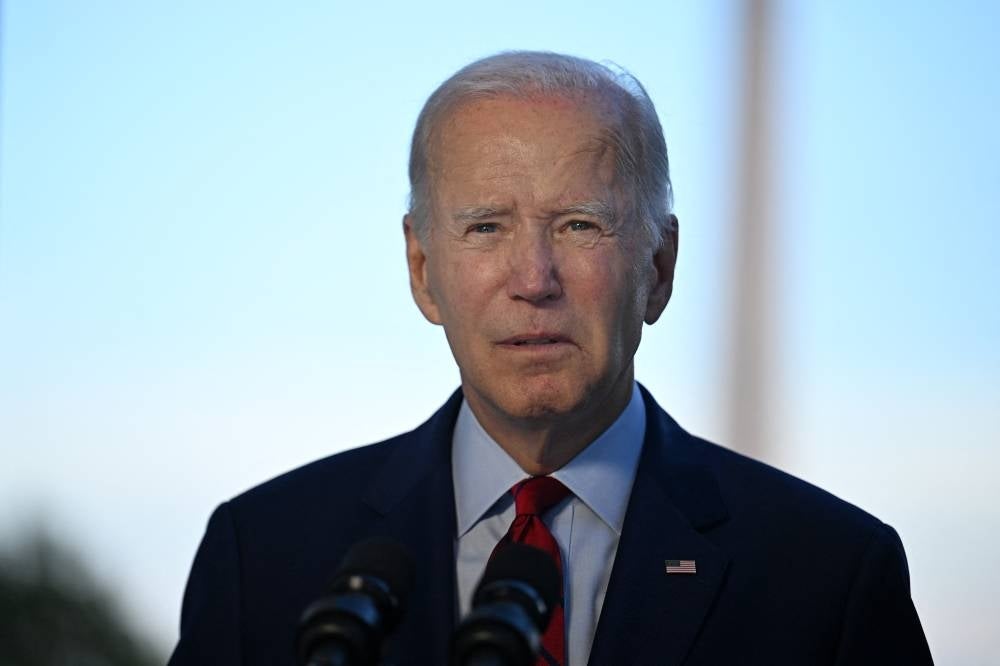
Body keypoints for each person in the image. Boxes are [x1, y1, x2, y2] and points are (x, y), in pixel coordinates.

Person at [168, 51, 933, 666]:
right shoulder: (264, 556)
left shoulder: (828, 575)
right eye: (486, 228)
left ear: (658, 268)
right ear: (422, 269)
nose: (533, 280)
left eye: (578, 225)